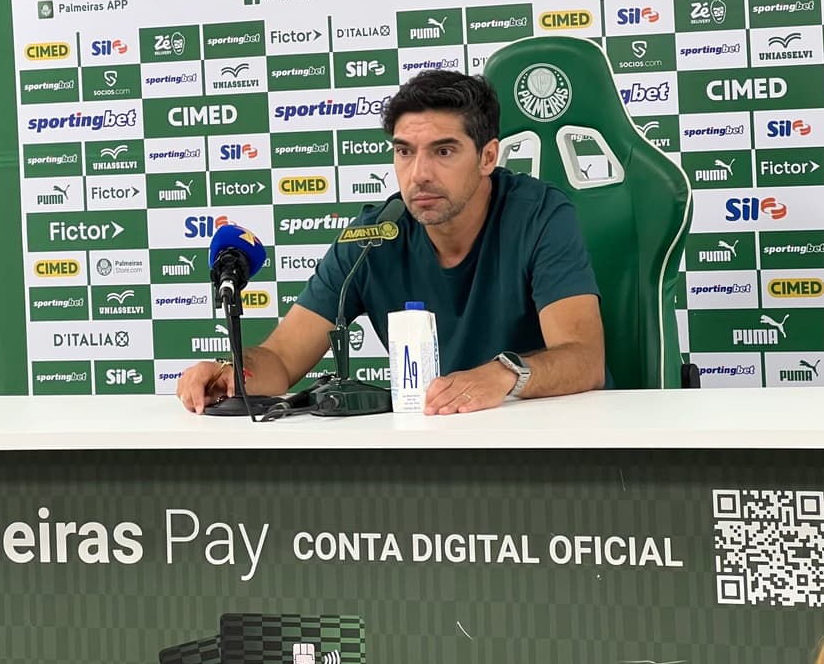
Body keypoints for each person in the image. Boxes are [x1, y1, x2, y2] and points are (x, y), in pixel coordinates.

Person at [176, 70, 607, 414]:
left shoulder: (541, 214)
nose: (419, 174)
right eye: (404, 152)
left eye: (444, 151)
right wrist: (233, 372)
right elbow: (283, 358)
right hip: (432, 444)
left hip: (542, 440)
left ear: (488, 157)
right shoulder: (372, 236)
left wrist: (504, 375)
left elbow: (585, 360)